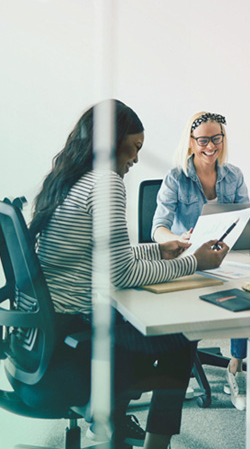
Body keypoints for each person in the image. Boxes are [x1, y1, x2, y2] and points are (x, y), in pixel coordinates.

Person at [30, 100, 229, 449]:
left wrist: (160, 250)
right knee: (181, 337)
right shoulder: (106, 183)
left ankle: (108, 426)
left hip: (41, 336)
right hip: (74, 336)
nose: (136, 159)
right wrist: (195, 261)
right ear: (113, 141)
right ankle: (151, 442)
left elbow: (105, 258)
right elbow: (122, 273)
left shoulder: (69, 180)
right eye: (134, 148)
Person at [152, 111, 249, 411]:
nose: (211, 145)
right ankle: (179, 364)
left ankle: (236, 364)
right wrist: (177, 239)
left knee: (248, 291)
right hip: (190, 260)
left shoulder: (233, 175)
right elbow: (157, 228)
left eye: (216, 138)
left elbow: (246, 217)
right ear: (191, 142)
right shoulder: (176, 178)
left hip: (225, 258)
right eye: (203, 140)